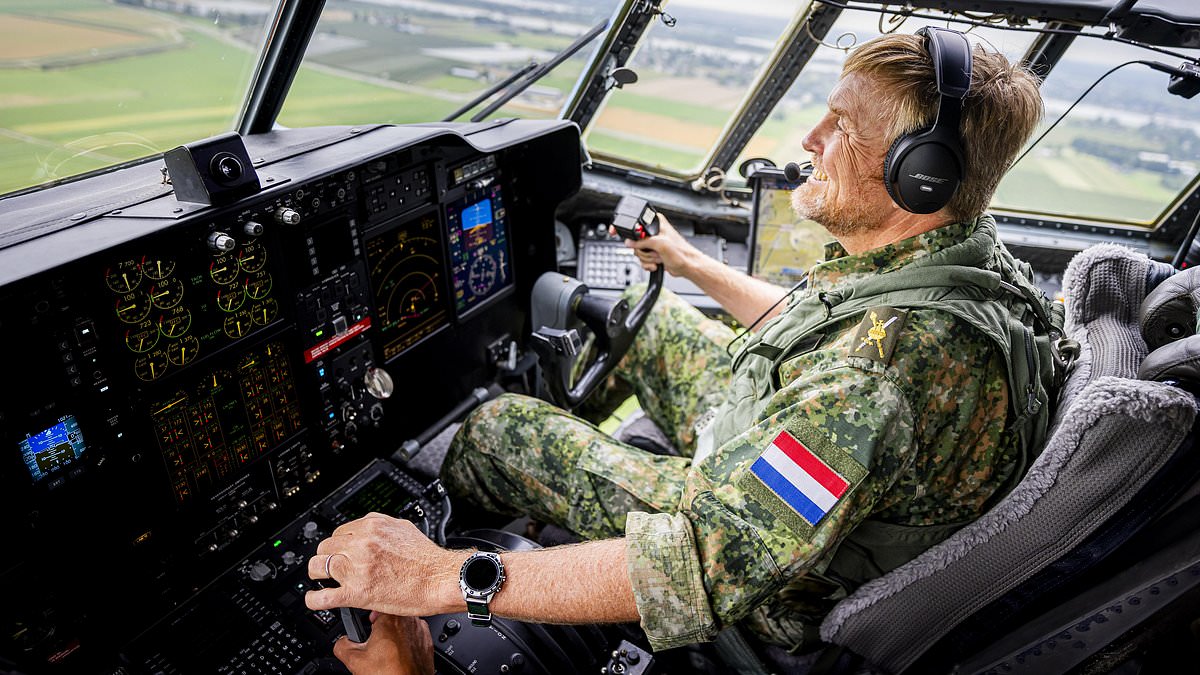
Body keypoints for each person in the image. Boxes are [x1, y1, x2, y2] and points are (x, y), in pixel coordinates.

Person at [308, 28, 1058, 664]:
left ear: (919, 176)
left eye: (842, 125)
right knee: (649, 323)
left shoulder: (883, 378)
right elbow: (821, 323)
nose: (811, 140)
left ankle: (463, 545)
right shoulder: (966, 260)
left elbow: (696, 566)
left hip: (782, 589)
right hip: (817, 479)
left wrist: (441, 575)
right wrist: (690, 263)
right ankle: (554, 493)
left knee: (503, 430)